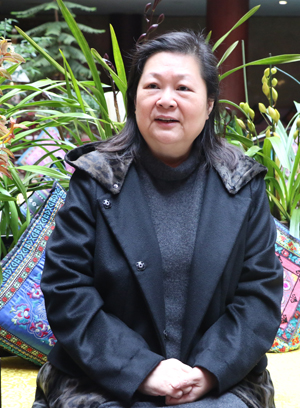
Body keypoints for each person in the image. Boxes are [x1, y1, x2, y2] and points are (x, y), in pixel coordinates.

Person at [33, 31, 283, 408]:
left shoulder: (241, 183)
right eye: (152, 86)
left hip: (218, 378)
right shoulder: (96, 177)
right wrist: (141, 369)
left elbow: (259, 295)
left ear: (209, 104)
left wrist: (208, 370)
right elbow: (67, 288)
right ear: (134, 100)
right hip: (101, 375)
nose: (166, 100)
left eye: (183, 88)